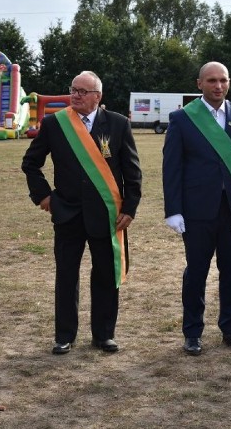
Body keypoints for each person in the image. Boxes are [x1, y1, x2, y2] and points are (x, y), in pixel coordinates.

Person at [22, 71, 142, 355]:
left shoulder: (117, 123)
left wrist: (130, 208)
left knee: (105, 274)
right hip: (67, 214)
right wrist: (43, 196)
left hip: (107, 215)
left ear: (97, 97)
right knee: (66, 276)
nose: (75, 95)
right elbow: (31, 163)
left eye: (82, 91)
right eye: (73, 90)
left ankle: (104, 335)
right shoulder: (55, 123)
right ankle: (64, 335)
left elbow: (132, 171)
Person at [163, 61, 231, 356]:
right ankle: (192, 332)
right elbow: (171, 168)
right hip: (196, 212)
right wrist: (173, 210)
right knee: (196, 272)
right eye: (211, 81)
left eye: (223, 80)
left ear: (228, 83)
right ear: (199, 84)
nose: (218, 86)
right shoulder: (182, 119)